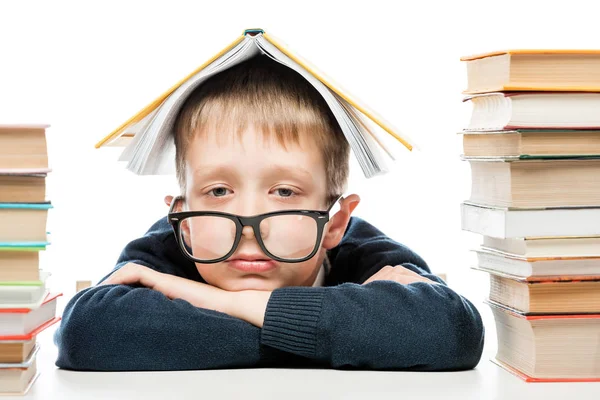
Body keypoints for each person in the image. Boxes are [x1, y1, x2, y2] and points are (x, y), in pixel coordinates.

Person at [55, 55, 484, 371]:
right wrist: (353, 333)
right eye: (219, 189)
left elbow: (452, 331)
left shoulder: (365, 253)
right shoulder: (161, 251)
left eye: (283, 191)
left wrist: (219, 301)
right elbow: (88, 333)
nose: (247, 226)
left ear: (336, 222)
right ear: (180, 221)